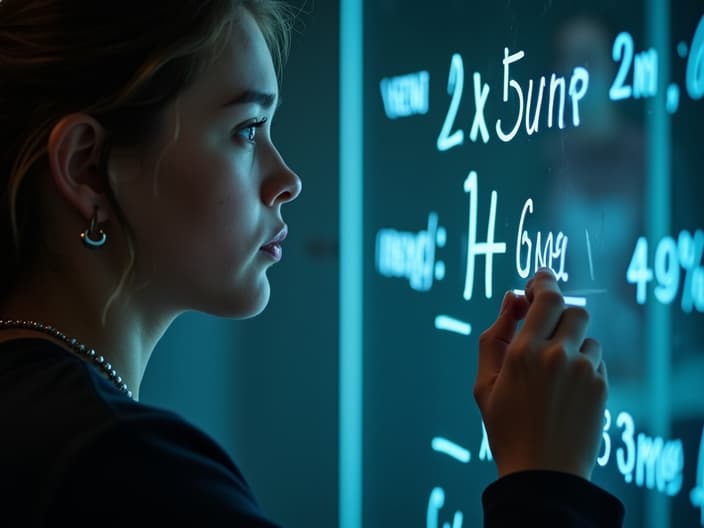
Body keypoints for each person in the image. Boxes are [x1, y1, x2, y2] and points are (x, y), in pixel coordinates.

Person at [0, 1, 623, 526]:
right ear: (87, 167)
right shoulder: (129, 471)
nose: (288, 179)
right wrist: (546, 484)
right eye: (247, 129)